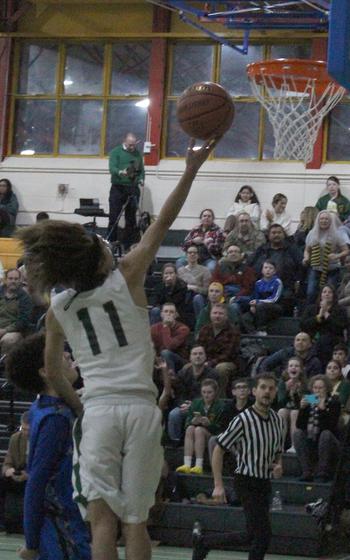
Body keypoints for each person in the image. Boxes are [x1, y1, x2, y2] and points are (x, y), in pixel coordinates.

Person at [17, 134, 221, 560]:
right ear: (97, 257)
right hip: (143, 409)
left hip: (100, 409)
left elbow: (54, 374)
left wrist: (80, 405)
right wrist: (190, 169)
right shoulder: (126, 275)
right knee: (137, 522)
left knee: (102, 522)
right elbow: (162, 222)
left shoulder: (57, 309)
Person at [6, 333, 91, 560]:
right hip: (60, 527)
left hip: (65, 523)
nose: (67, 355)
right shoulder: (55, 419)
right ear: (46, 371)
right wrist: (32, 542)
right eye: (59, 354)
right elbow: (37, 481)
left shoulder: (45, 408)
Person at [193, 373, 284, 560]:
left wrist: (278, 465)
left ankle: (204, 542)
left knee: (252, 534)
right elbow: (219, 448)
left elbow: (278, 451)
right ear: (254, 391)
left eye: (271, 388)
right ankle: (204, 542)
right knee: (262, 537)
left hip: (264, 482)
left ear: (275, 392)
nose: (267, 391)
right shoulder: (243, 419)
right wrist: (218, 485)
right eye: (263, 387)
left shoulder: (277, 420)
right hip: (246, 480)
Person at [165, 345, 219, 444]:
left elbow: (211, 396)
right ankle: (175, 444)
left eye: (200, 354)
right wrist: (183, 404)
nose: (197, 356)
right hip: (186, 405)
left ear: (205, 357)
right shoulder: (183, 373)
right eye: (194, 354)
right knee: (174, 414)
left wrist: (193, 406)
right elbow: (179, 394)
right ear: (190, 357)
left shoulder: (213, 374)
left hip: (205, 407)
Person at [293, 374, 341, 482]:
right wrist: (302, 409)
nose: (317, 391)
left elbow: (331, 427)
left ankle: (322, 471)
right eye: (315, 388)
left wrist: (322, 409)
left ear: (327, 388)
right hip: (312, 440)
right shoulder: (310, 400)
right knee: (297, 433)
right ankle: (306, 471)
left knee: (326, 434)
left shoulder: (334, 402)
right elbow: (300, 425)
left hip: (329, 443)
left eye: (321, 388)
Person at [248, 223, 302, 314]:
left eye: (279, 232)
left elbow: (301, 265)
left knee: (287, 297)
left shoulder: (292, 249)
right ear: (268, 235)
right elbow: (250, 264)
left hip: (286, 286)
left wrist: (298, 280)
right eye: (273, 233)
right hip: (264, 286)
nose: (276, 235)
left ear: (283, 234)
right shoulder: (262, 250)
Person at [176, 379, 224, 475]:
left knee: (199, 430)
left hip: (211, 434)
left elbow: (221, 428)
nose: (206, 395)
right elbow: (188, 421)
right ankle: (187, 464)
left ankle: (199, 465)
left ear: (215, 393)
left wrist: (209, 424)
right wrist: (192, 421)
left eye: (209, 392)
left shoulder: (220, 406)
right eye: (204, 392)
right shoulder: (196, 402)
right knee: (190, 428)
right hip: (195, 434)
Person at [107, 132, 144, 249]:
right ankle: (110, 242)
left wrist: (141, 179)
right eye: (130, 145)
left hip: (133, 188)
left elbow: (141, 170)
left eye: (134, 145)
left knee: (131, 218)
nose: (132, 147)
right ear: (124, 142)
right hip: (118, 188)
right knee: (114, 217)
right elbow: (112, 168)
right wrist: (119, 172)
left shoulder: (137, 154)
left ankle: (128, 244)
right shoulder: (115, 152)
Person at [303, 210, 349, 304]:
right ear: (318, 220)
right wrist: (306, 258)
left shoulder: (337, 234)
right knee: (311, 292)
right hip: (315, 268)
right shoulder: (312, 234)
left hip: (332, 269)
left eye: (326, 219)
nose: (324, 221)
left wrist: (337, 255)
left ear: (330, 221)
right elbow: (307, 250)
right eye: (322, 219)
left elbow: (346, 250)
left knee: (330, 293)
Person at [197, 303, 240, 396]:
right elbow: (198, 347)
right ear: (210, 315)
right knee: (188, 367)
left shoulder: (233, 331)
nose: (217, 316)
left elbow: (228, 354)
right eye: (215, 313)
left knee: (220, 369)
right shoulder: (205, 329)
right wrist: (200, 361)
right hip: (206, 360)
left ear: (226, 316)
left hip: (228, 362)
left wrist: (210, 363)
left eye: (220, 314)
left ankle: (220, 398)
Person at [300, 284, 348, 367]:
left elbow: (338, 328)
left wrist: (326, 314)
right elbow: (303, 325)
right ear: (321, 295)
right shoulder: (311, 308)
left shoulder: (340, 310)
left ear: (333, 295)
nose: (327, 294)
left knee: (323, 341)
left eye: (330, 292)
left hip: (333, 340)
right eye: (324, 292)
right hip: (312, 339)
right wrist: (318, 317)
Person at [237, 259, 283, 335]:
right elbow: (254, 297)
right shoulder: (258, 283)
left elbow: (274, 298)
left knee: (261, 306)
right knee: (245, 317)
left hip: (274, 307)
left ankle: (262, 329)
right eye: (265, 268)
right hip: (258, 306)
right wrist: (252, 305)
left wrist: (258, 302)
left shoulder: (277, 282)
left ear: (274, 271)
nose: (268, 270)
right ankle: (253, 335)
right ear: (262, 270)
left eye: (270, 268)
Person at [277, 357, 307, 453]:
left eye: (296, 366)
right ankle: (279, 445)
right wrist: (286, 390)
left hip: (301, 411)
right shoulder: (282, 383)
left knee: (294, 412)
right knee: (282, 411)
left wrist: (299, 394)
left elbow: (313, 399)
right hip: (286, 409)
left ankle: (295, 446)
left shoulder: (306, 382)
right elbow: (280, 402)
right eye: (291, 366)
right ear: (287, 369)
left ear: (301, 370)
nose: (293, 368)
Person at [0, 268, 33, 354]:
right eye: (10, 278)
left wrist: (5, 330)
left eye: (16, 279)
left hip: (14, 331)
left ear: (20, 280)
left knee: (8, 341)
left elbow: (23, 321)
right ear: (5, 280)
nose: (13, 281)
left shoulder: (25, 298)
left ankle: (4, 365)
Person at [150, 302, 190, 373]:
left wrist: (166, 326)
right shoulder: (154, 328)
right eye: (166, 311)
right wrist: (156, 359)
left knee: (165, 353)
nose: (168, 314)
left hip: (179, 360)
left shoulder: (183, 329)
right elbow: (150, 346)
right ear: (161, 314)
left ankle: (172, 377)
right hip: (159, 359)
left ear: (176, 315)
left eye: (171, 312)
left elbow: (170, 346)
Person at [177, 244, 211, 318]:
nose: (192, 254)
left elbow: (207, 290)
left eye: (195, 253)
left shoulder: (205, 270)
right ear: (186, 256)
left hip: (199, 297)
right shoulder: (180, 271)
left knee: (197, 298)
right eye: (190, 252)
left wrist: (194, 288)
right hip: (184, 297)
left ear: (198, 255)